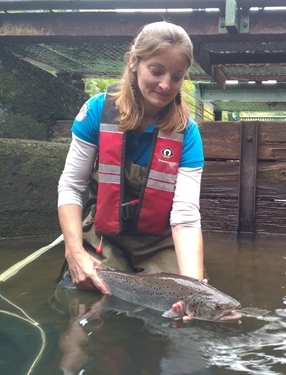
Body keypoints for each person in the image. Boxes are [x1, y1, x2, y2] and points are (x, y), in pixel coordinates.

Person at [57, 21, 205, 298]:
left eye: (177, 76)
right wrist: (73, 251)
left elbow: (185, 218)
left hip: (159, 242)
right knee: (79, 297)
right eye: (157, 71)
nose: (165, 85)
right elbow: (71, 186)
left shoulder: (189, 134)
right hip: (106, 235)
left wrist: (194, 291)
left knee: (178, 303)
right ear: (135, 62)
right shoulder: (96, 111)